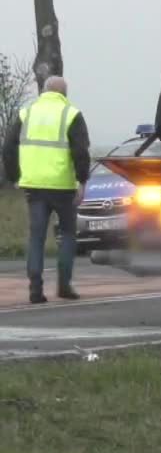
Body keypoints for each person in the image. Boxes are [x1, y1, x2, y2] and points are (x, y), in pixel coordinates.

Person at [1, 76, 90, 303]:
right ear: (64, 93)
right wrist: (82, 181)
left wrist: (14, 176)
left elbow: (8, 146)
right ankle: (64, 285)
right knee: (68, 233)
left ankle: (35, 290)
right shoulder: (71, 114)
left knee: (37, 237)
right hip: (62, 185)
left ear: (44, 90)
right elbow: (81, 151)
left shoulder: (26, 113)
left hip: (33, 185)